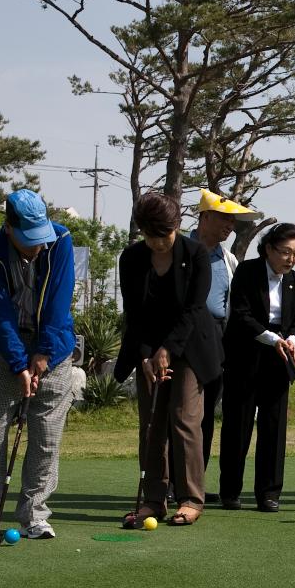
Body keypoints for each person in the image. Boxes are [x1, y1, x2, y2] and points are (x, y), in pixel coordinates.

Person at [0, 190, 76, 539]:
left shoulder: (60, 241)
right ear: (9, 227)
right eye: (29, 240)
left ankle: (34, 514)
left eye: (40, 238)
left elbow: (59, 300)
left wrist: (44, 353)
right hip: (3, 344)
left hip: (53, 346)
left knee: (46, 437)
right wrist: (18, 364)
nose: (37, 247)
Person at [114, 192, 222, 526]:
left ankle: (191, 497)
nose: (159, 243)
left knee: (183, 417)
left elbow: (193, 310)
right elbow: (134, 313)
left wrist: (167, 350)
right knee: (151, 422)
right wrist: (147, 355)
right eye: (151, 236)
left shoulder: (196, 254)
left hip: (190, 345)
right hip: (147, 347)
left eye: (165, 235)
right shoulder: (131, 259)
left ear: (177, 226)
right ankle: (153, 499)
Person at [177, 189, 260, 503]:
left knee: (206, 416)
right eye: (225, 218)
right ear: (205, 217)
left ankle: (193, 484)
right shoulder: (182, 248)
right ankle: (172, 483)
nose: (230, 226)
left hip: (216, 341)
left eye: (233, 220)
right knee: (182, 415)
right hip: (183, 339)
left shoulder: (228, 258)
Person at [218, 222, 295, 512]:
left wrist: (290, 339)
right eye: (285, 252)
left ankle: (269, 492)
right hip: (246, 354)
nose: (291, 259)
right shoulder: (248, 271)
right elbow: (241, 315)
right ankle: (230, 490)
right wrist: (272, 339)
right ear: (269, 248)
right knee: (238, 426)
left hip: (279, 360)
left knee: (273, 427)